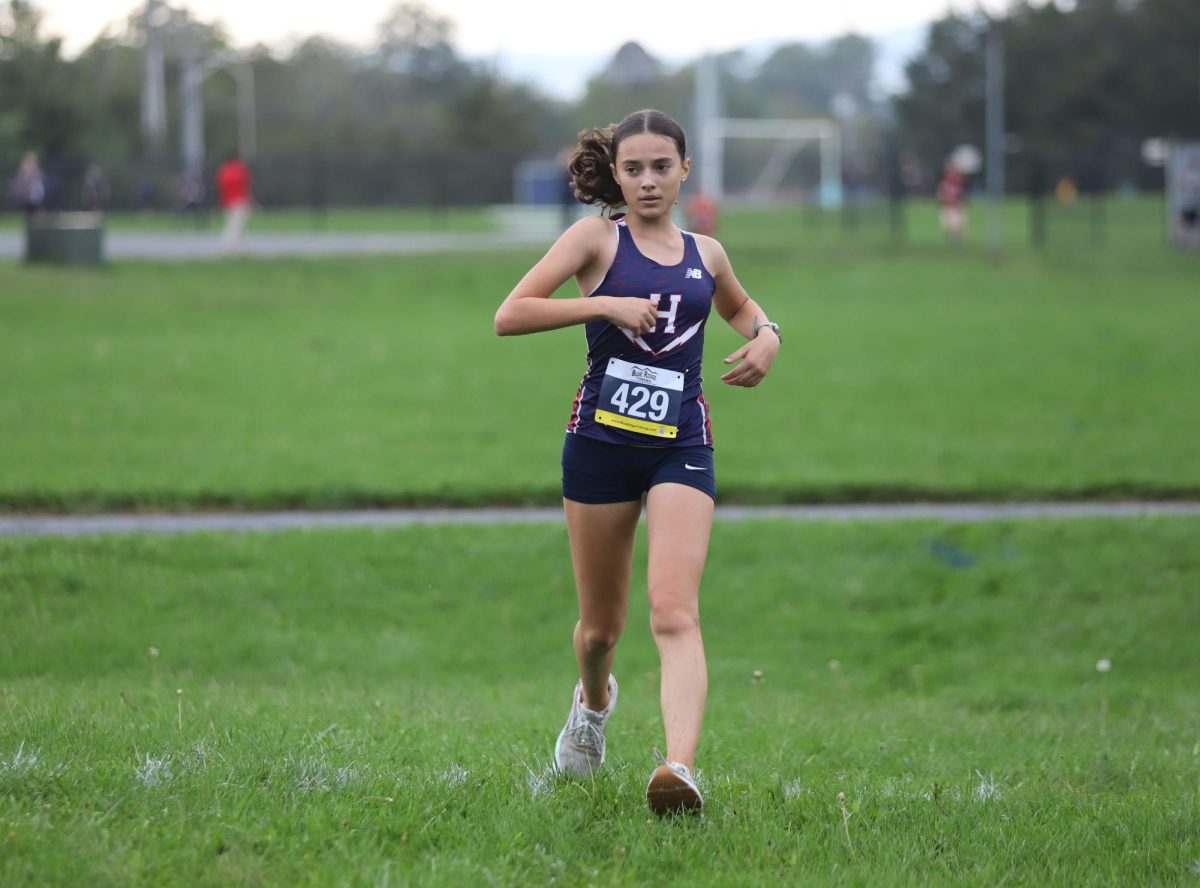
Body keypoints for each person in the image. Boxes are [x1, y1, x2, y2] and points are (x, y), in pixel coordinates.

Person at [494, 109, 781, 816]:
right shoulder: (596, 238)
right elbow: (512, 312)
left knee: (675, 611)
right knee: (600, 631)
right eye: (634, 168)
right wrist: (606, 305)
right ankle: (592, 706)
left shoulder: (706, 253)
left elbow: (742, 310)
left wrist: (769, 336)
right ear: (616, 175)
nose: (648, 180)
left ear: (685, 170)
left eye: (662, 167)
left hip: (682, 446)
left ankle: (678, 768)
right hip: (599, 447)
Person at [215, 153, 252, 249]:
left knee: (236, 224)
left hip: (227, 201)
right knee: (235, 225)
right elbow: (244, 185)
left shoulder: (223, 171)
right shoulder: (239, 170)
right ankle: (226, 245)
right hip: (238, 200)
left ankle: (244, 247)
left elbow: (222, 188)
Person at [936, 159, 967, 243]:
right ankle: (952, 236)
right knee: (949, 223)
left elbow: (962, 194)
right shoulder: (945, 182)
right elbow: (940, 195)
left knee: (959, 223)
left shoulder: (959, 181)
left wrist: (961, 202)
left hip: (957, 206)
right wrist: (944, 200)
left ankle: (958, 238)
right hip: (947, 206)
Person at [8, 152, 45, 220]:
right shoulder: (23, 170)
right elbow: (18, 182)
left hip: (32, 195)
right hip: (24, 194)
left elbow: (38, 182)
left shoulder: (35, 171)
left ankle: (36, 216)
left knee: (34, 201)